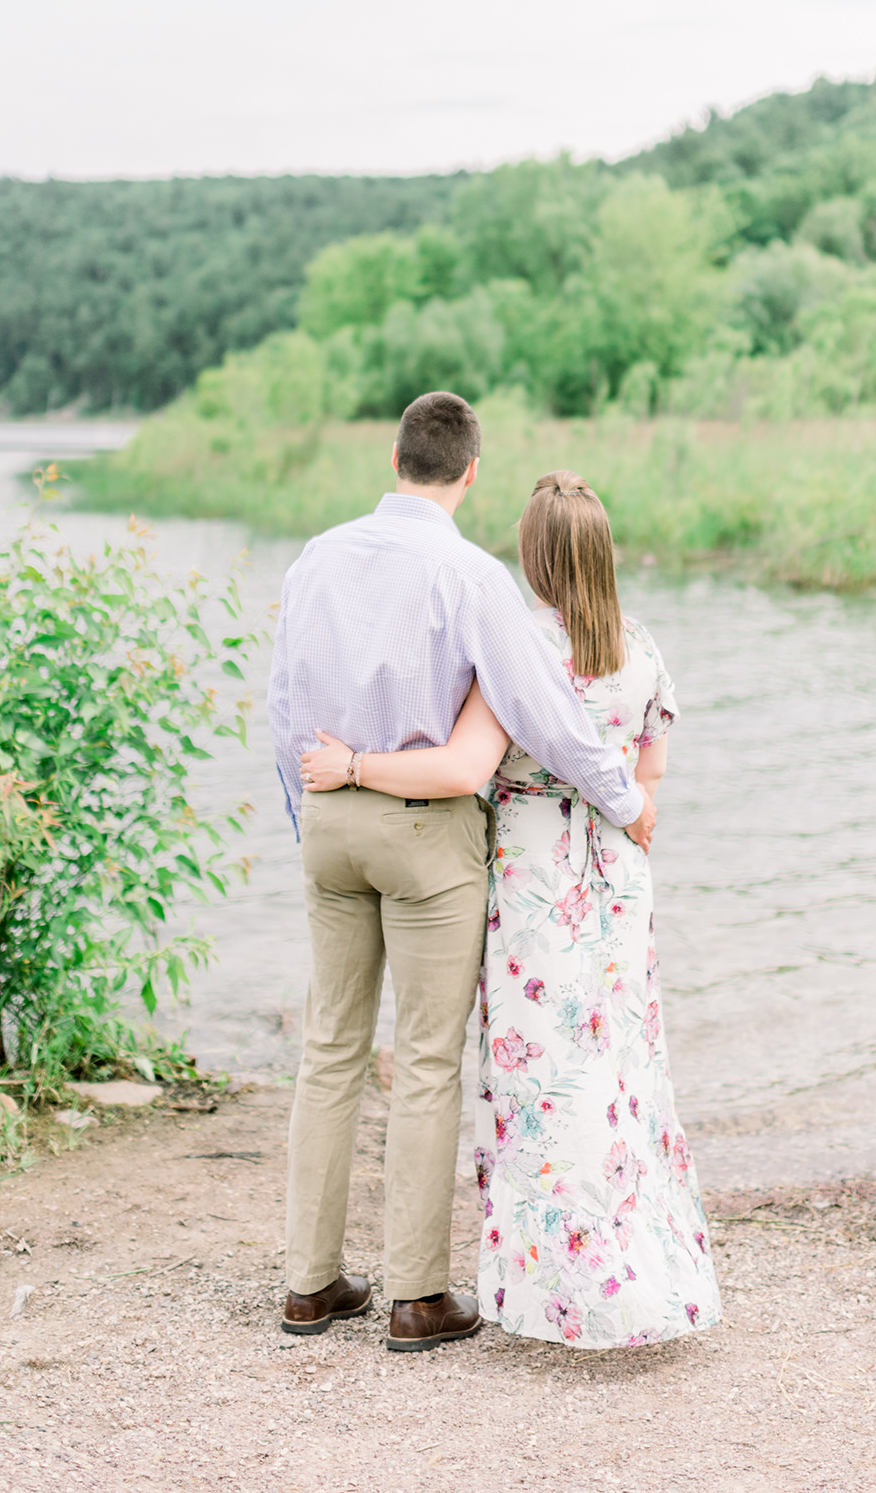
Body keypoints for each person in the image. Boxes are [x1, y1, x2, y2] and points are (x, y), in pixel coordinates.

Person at [303, 470, 721, 1349]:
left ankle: (551, 1285)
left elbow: (468, 766)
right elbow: (649, 784)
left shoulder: (517, 648)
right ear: (603, 554)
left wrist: (348, 769)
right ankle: (640, 1261)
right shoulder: (641, 648)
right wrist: (625, 816)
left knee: (537, 1080)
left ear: (532, 561)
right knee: (622, 1071)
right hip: (615, 873)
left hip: (534, 880)